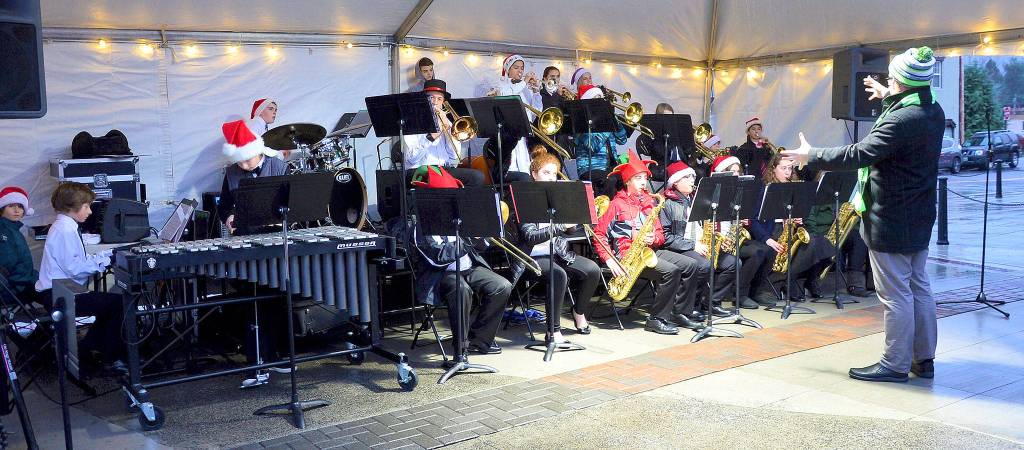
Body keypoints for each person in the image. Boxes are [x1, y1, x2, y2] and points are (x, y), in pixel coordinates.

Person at [783, 46, 944, 383]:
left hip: (892, 218)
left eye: (892, 79)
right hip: (919, 214)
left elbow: (861, 153)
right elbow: (903, 120)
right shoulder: (932, 109)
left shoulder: (901, 120)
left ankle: (895, 364)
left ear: (902, 83)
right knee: (919, 287)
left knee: (896, 294)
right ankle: (923, 360)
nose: (888, 81)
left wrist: (812, 154)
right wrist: (890, 95)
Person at [408, 166, 512, 359]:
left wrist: (485, 236)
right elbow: (437, 258)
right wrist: (470, 240)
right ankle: (460, 348)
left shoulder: (460, 217)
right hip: (440, 275)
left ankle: (480, 340)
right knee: (461, 290)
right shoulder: (419, 225)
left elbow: (476, 249)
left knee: (502, 285)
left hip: (467, 268)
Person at [592, 150, 699, 335]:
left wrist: (654, 238)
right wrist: (609, 259)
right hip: (627, 256)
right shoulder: (616, 205)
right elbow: (599, 234)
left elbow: (660, 235)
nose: (643, 182)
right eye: (638, 178)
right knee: (671, 271)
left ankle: (680, 312)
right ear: (627, 181)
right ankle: (656, 319)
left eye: (644, 178)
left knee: (691, 265)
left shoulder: (650, 202)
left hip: (648, 251)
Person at [509, 150, 603, 341]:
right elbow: (530, 238)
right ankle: (554, 330)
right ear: (534, 174)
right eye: (546, 173)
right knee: (558, 274)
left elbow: (567, 232)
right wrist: (561, 225)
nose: (551, 177)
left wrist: (573, 217)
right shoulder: (524, 199)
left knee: (592, 270)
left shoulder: (557, 198)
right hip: (531, 256)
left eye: (554, 173)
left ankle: (578, 311)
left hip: (557, 252)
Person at [34, 182, 125, 371]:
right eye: (86, 206)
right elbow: (75, 269)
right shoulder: (65, 230)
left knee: (112, 304)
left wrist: (108, 255)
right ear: (71, 207)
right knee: (118, 304)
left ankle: (90, 348)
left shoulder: (64, 226)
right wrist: (107, 261)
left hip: (62, 290)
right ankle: (108, 356)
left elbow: (77, 260)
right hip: (59, 294)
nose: (90, 211)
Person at [658, 161, 736, 326]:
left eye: (692, 176)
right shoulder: (667, 203)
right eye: (686, 177)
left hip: (700, 244)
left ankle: (710, 303)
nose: (692, 180)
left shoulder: (695, 199)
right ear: (675, 182)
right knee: (703, 265)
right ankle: (686, 307)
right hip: (680, 248)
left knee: (732, 263)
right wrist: (693, 245)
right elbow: (667, 237)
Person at [751, 154, 832, 301]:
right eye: (783, 168)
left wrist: (798, 218)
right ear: (773, 169)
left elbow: (800, 216)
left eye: (790, 168)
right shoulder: (764, 189)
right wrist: (767, 240)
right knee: (810, 246)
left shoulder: (795, 188)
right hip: (771, 232)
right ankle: (788, 282)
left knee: (822, 243)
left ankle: (795, 280)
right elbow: (753, 220)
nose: (788, 172)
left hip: (789, 230)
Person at [710, 156, 775, 307]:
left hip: (734, 237)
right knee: (757, 252)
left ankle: (754, 290)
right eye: (732, 172)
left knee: (768, 250)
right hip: (719, 239)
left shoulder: (738, 192)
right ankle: (739, 294)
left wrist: (744, 221)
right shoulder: (714, 192)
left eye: (738, 172)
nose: (736, 175)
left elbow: (747, 217)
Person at [402, 79, 484, 187]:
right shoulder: (413, 121)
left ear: (443, 102)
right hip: (421, 170)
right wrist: (431, 137)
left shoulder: (447, 122)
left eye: (439, 99)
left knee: (477, 177)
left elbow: (454, 156)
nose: (435, 102)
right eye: (431, 97)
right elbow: (411, 158)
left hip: (443, 169)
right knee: (443, 182)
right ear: (424, 100)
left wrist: (449, 131)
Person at [217, 119, 288, 235]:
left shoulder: (280, 168)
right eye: (239, 162)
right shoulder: (231, 173)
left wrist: (281, 218)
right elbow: (224, 206)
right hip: (244, 235)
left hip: (277, 234)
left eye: (247, 160)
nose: (244, 165)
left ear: (257, 151)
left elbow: (289, 203)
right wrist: (228, 217)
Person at [484, 55, 543, 184]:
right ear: (508, 69)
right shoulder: (501, 86)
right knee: (516, 174)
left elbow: (534, 114)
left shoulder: (525, 88)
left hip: (522, 140)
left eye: (522, 68)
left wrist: (537, 93)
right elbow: (507, 97)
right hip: (507, 140)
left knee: (526, 175)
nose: (520, 71)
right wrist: (524, 83)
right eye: (516, 68)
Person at [570, 67, 629, 195]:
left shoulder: (606, 118)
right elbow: (592, 146)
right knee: (611, 181)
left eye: (601, 97)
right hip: (590, 168)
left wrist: (615, 121)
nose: (600, 101)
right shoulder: (581, 120)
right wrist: (607, 125)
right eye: (596, 98)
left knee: (631, 177)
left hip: (611, 165)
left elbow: (622, 140)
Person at [636, 103, 706, 181]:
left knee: (701, 173)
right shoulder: (653, 134)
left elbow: (687, 152)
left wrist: (696, 149)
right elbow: (657, 153)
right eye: (666, 118)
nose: (670, 122)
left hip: (681, 164)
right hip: (662, 166)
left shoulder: (678, 130)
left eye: (672, 117)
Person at [0, 187, 38, 299]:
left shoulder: (12, 229)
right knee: (55, 291)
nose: (17, 210)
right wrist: (33, 279)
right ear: (2, 209)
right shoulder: (5, 232)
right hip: (15, 287)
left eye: (20, 206)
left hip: (19, 282)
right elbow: (8, 264)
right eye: (11, 206)